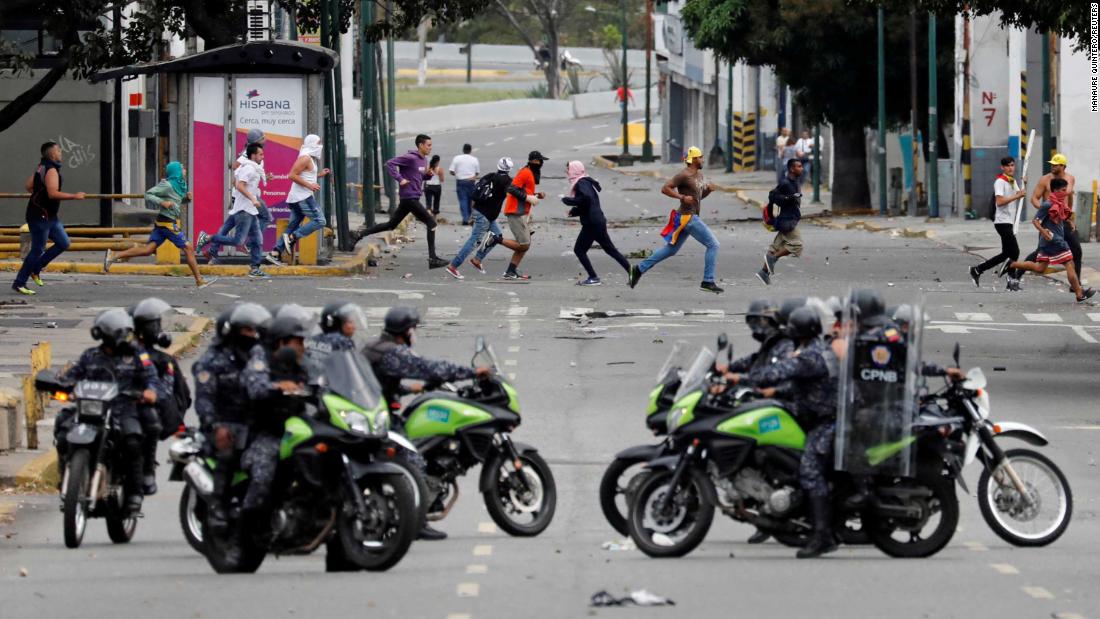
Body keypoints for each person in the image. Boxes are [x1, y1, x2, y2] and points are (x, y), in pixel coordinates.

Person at [363, 306, 492, 541]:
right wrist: (473, 373)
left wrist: (409, 388)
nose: (415, 334)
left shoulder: (373, 346)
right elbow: (431, 369)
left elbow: (378, 382)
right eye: (413, 329)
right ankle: (417, 521)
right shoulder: (394, 353)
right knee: (415, 462)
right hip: (380, 420)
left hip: (370, 412)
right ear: (405, 331)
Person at [728, 306, 839, 558]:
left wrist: (740, 380)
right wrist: (772, 393)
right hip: (815, 415)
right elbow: (796, 385)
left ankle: (823, 536)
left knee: (809, 471)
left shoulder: (810, 356)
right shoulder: (816, 349)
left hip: (825, 420)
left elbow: (777, 373)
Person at [61, 309, 160, 512]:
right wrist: (62, 385)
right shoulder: (91, 355)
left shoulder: (137, 355)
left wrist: (149, 391)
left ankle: (134, 493)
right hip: (90, 410)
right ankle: (66, 478)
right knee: (63, 431)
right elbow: (72, 376)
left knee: (132, 441)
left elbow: (152, 379)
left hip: (124, 410)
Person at [192, 303, 271, 528]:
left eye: (254, 330)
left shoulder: (261, 356)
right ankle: (217, 505)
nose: (252, 335)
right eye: (247, 330)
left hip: (255, 422)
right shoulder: (214, 360)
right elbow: (204, 399)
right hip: (225, 423)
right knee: (228, 453)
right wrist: (214, 425)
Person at [240, 309, 312, 537]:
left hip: (298, 427)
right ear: (282, 342)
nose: (302, 346)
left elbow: (322, 381)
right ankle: (245, 532)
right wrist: (278, 387)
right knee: (264, 473)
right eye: (297, 341)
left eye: (303, 341)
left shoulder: (302, 361)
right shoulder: (261, 357)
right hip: (267, 429)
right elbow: (255, 387)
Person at [628, 146, 723, 293]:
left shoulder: (699, 175)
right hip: (688, 217)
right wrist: (682, 197)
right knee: (713, 245)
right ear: (694, 159)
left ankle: (638, 270)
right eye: (701, 157)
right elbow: (665, 188)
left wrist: (708, 191)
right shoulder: (683, 175)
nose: (703, 159)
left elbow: (697, 198)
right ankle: (707, 281)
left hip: (687, 217)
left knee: (671, 250)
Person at [104, 162, 209, 287]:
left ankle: (114, 255)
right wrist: (162, 202)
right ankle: (199, 280)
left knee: (148, 250)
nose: (185, 170)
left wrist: (187, 199)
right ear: (176, 171)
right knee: (188, 248)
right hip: (167, 223)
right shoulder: (167, 184)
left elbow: (176, 201)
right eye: (182, 168)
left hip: (163, 223)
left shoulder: (180, 185)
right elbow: (148, 195)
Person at [128, 297, 192, 495]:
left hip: (147, 411)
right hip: (118, 407)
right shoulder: (119, 354)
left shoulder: (162, 361)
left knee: (151, 420)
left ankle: (147, 469)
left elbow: (177, 395)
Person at [356, 134, 448, 269]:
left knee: (390, 225)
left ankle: (359, 235)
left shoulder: (423, 160)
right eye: (428, 145)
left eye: (431, 145)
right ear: (421, 145)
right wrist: (400, 179)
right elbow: (390, 163)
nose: (430, 148)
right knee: (431, 223)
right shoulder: (410, 157)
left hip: (411, 198)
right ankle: (432, 258)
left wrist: (427, 175)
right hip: (409, 197)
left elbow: (418, 177)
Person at [1004, 178, 1095, 303]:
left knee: (1040, 268)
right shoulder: (1047, 204)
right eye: (1063, 190)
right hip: (1055, 241)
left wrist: (1070, 222)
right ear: (1056, 190)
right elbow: (1035, 221)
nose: (1066, 193)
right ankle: (1079, 293)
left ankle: (1011, 264)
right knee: (1069, 264)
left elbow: (1061, 216)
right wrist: (1043, 231)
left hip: (1048, 242)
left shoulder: (1059, 203)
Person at [12, 142, 85, 296]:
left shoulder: (42, 166)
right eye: (59, 150)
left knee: (63, 243)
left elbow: (28, 185)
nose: (61, 153)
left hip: (50, 216)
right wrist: (74, 196)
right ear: (52, 154)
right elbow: (53, 193)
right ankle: (19, 283)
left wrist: (40, 194)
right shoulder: (51, 170)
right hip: (40, 216)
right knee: (38, 249)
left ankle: (36, 269)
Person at [197, 143, 268, 277]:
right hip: (244, 210)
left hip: (250, 210)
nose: (263, 156)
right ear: (253, 155)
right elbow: (240, 185)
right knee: (238, 241)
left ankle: (255, 268)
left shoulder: (250, 168)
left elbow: (238, 181)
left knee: (258, 240)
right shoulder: (250, 169)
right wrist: (253, 198)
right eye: (260, 154)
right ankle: (208, 238)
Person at [562, 161, 631, 286]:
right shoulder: (586, 181)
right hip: (598, 221)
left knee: (579, 250)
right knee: (610, 250)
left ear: (575, 170)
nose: (567, 172)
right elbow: (586, 203)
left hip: (592, 223)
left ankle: (593, 277)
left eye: (568, 169)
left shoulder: (580, 183)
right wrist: (574, 212)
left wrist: (569, 201)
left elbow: (586, 199)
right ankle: (633, 272)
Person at [446, 157, 515, 280]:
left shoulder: (490, 175)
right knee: (474, 241)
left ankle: (477, 259)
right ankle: (453, 266)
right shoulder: (506, 181)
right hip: (485, 216)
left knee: (497, 236)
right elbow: (510, 194)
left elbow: (477, 191)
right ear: (510, 168)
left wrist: (473, 210)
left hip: (482, 212)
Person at [267, 134, 330, 264]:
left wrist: (319, 175)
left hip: (298, 198)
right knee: (320, 221)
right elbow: (292, 175)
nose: (320, 146)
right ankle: (292, 238)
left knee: (293, 224)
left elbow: (306, 176)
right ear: (311, 143)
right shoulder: (305, 158)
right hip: (303, 197)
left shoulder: (310, 158)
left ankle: (275, 253)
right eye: (318, 143)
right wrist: (310, 185)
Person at [486, 151, 548, 280]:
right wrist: (528, 198)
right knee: (524, 244)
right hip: (515, 212)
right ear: (535, 161)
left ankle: (510, 271)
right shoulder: (525, 172)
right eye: (540, 161)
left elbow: (524, 192)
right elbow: (512, 189)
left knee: (525, 244)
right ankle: (495, 239)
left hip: (521, 212)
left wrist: (536, 195)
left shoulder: (529, 173)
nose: (542, 164)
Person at [969, 156, 1027, 290]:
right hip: (1002, 222)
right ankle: (1011, 281)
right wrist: (1017, 196)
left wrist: (1024, 184)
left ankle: (977, 270)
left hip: (1009, 221)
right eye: (1007, 166)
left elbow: (1020, 194)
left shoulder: (1012, 181)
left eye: (1012, 165)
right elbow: (1000, 202)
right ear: (1002, 167)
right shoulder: (1000, 182)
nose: (1010, 168)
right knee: (1015, 252)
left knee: (1007, 254)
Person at [757, 158, 805, 286]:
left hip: (789, 219)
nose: (802, 168)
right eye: (799, 166)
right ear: (792, 169)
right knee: (797, 245)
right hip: (787, 221)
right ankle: (772, 259)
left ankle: (763, 272)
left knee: (775, 247)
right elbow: (773, 196)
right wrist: (788, 198)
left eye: (801, 166)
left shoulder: (794, 181)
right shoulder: (786, 183)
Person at [449, 144, 480, 224]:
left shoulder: (457, 158)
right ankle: (470, 217)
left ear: (463, 150)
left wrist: (457, 174)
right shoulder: (474, 159)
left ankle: (465, 219)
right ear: (470, 150)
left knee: (463, 200)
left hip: (461, 181)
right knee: (471, 201)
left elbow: (451, 171)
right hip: (471, 182)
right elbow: (477, 173)